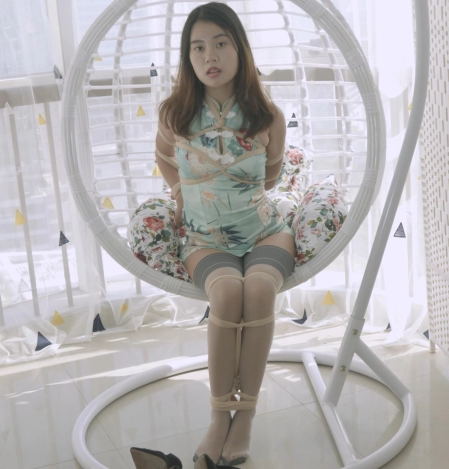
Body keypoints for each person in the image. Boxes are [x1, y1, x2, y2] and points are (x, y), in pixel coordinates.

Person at [131, 3, 295, 468]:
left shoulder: (267, 115)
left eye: (221, 43)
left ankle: (245, 418)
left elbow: (271, 177)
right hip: (204, 241)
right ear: (188, 57)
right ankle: (219, 418)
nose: (210, 56)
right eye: (198, 47)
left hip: (266, 232)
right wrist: (179, 190)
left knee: (257, 291)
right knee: (227, 295)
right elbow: (163, 157)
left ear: (239, 48)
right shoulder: (175, 114)